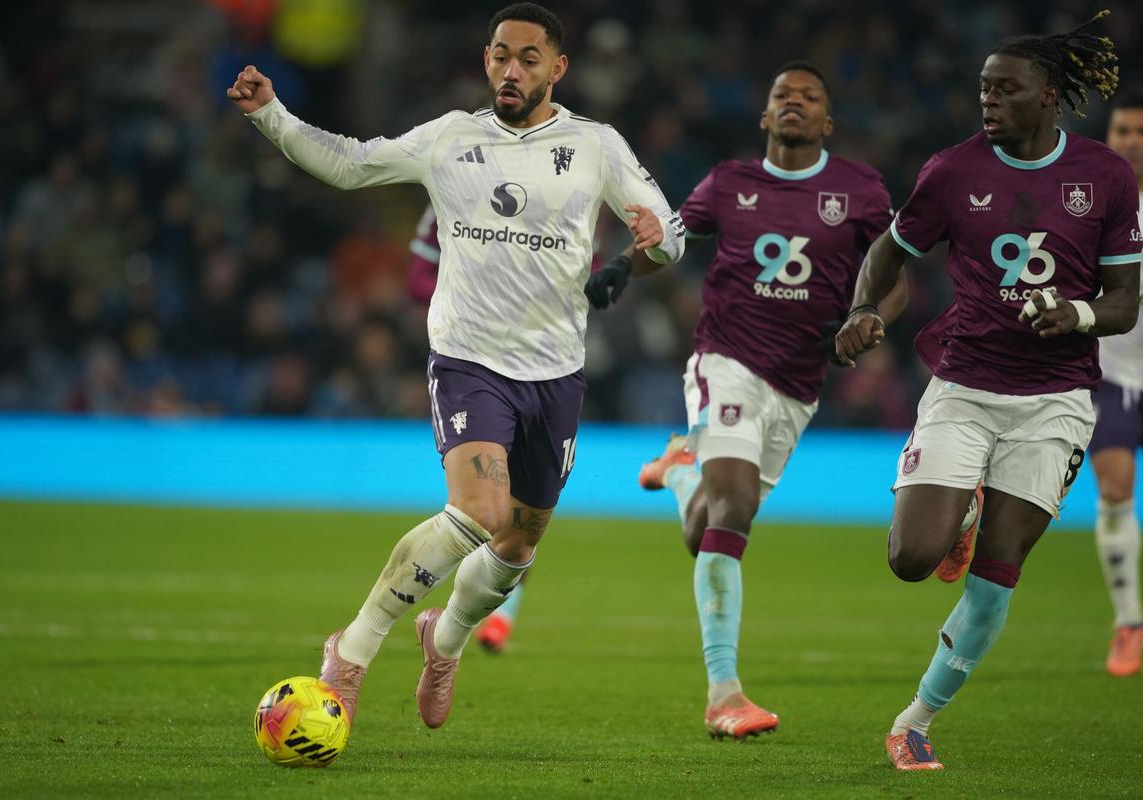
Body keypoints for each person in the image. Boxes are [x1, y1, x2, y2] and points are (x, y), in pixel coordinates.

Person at [227, 2, 685, 730]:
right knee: (478, 512)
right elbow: (351, 164)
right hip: (470, 359)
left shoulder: (597, 147)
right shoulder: (450, 138)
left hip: (556, 371)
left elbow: (673, 234)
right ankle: (349, 653)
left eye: (528, 57)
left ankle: (443, 643)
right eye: (500, 54)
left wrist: (639, 255)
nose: (511, 68)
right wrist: (272, 116)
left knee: (517, 547)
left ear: (557, 69)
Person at [835, 12, 1140, 770]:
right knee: (911, 558)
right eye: (983, 89)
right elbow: (890, 249)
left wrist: (1073, 312)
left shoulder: (1106, 176)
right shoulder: (952, 171)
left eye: (1006, 90)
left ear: (1048, 98)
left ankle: (914, 720)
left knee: (998, 574)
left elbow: (1126, 300)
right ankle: (961, 501)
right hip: (965, 385)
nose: (989, 101)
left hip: (1057, 399)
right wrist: (866, 309)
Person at [588, 62, 909, 740]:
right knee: (732, 511)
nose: (794, 103)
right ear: (764, 116)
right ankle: (724, 694)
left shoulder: (859, 190)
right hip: (725, 362)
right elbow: (673, 241)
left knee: (702, 527)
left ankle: (678, 467)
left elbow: (893, 271)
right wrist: (623, 264)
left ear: (828, 121)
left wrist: (870, 316)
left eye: (809, 97)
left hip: (798, 385)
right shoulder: (729, 183)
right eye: (781, 96)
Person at [1093, 90, 1143, 677]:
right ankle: (1129, 621)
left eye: (1139, 131)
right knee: (1114, 489)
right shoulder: (1092, 206)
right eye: (1122, 129)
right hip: (1110, 375)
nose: (1131, 140)